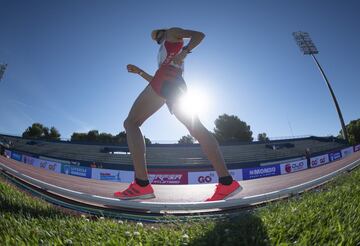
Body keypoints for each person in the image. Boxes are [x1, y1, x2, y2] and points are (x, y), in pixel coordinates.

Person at [114, 27, 242, 201]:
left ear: (163, 32)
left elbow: (199, 35)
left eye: (157, 35)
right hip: (173, 83)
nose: (156, 39)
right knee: (196, 129)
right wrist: (140, 72)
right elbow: (156, 82)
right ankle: (227, 182)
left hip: (167, 80)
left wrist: (185, 51)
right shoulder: (164, 52)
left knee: (131, 123)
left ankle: (141, 184)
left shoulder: (172, 33)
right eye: (155, 39)